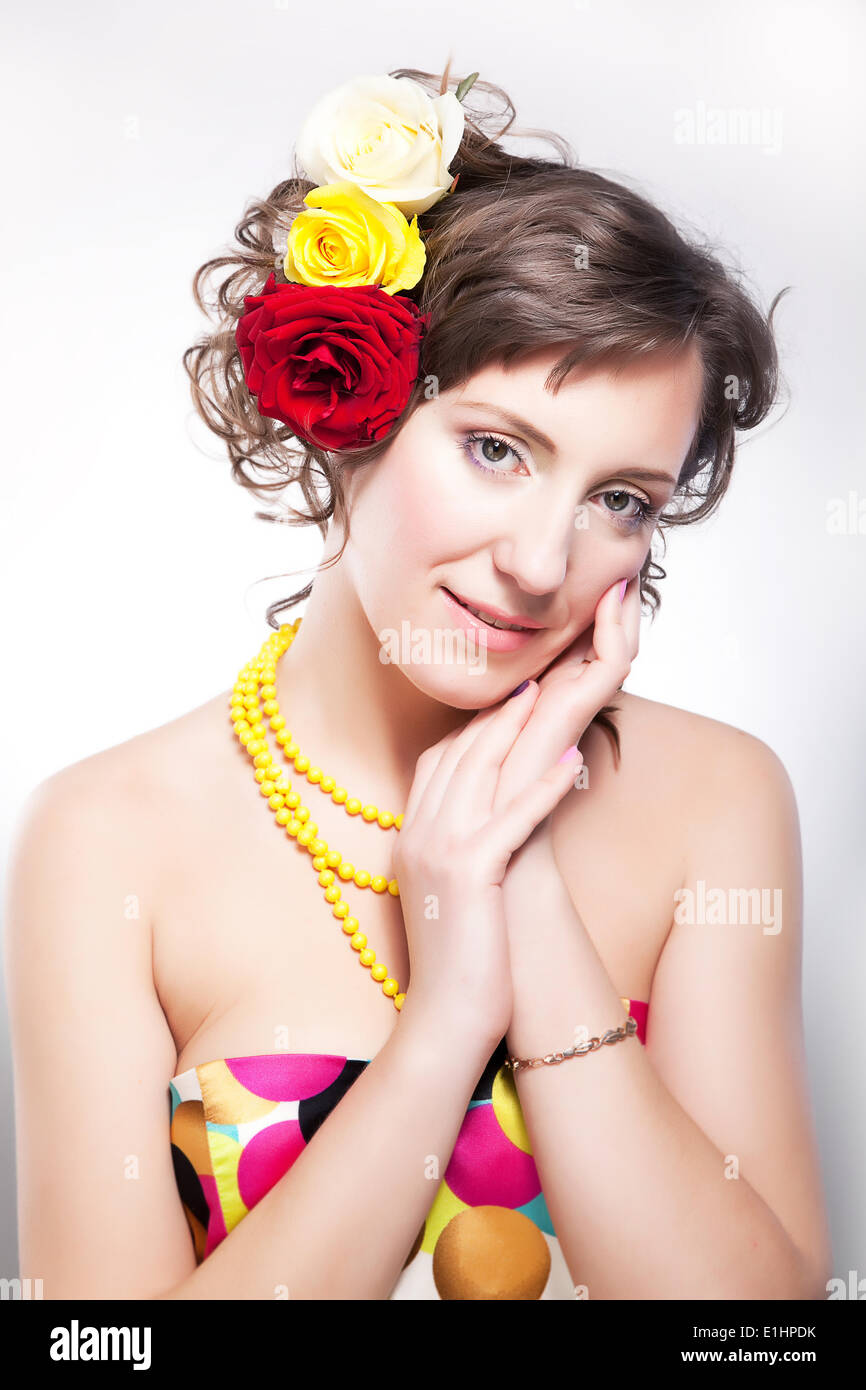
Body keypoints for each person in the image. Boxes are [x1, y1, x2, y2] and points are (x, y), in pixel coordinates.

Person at [5, 65, 832, 1301]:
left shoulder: (716, 799)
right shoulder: (105, 839)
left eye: (618, 501)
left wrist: (515, 879)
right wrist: (446, 1022)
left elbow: (755, 1337)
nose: (542, 563)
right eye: (496, 449)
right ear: (353, 415)